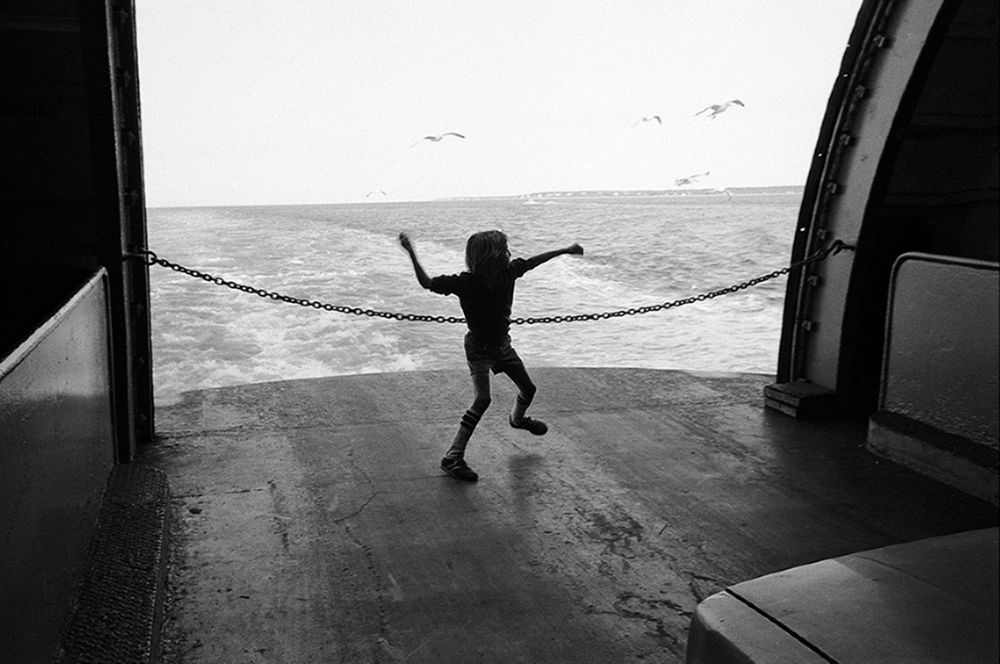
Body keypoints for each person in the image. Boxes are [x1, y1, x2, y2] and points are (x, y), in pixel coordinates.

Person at [399, 230, 584, 482]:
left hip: (502, 346)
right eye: (503, 251)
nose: (509, 255)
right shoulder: (466, 282)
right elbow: (427, 283)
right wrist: (411, 252)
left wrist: (564, 250)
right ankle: (453, 457)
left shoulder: (509, 272)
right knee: (483, 399)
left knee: (529, 389)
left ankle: (517, 420)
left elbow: (534, 261)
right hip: (479, 350)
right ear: (490, 257)